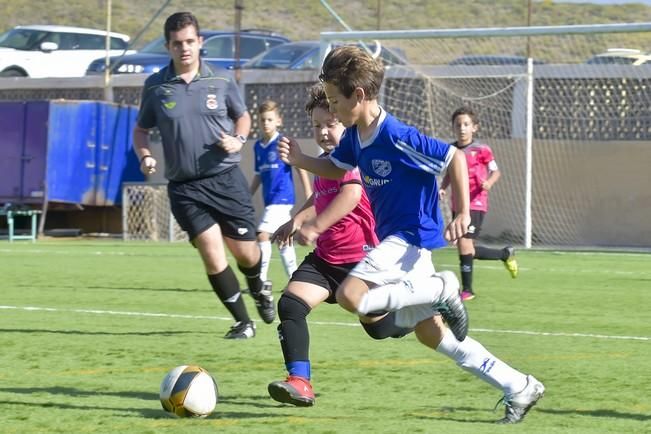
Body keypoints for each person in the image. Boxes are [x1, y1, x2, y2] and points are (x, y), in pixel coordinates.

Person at [277, 46, 544, 424]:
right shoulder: (355, 136)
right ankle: (519, 385)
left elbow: (455, 158)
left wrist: (462, 212)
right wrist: (301, 160)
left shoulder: (397, 135)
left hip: (409, 238)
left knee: (351, 295)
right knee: (434, 336)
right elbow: (336, 169)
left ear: (359, 95)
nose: (332, 110)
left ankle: (441, 290)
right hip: (402, 248)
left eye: (336, 101)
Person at [266, 84, 412, 407]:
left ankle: (418, 311)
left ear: (346, 122)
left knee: (379, 329)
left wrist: (316, 226)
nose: (322, 132)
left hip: (361, 264)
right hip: (325, 261)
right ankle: (300, 382)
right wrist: (299, 219)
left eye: (329, 124)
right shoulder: (326, 161)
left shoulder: (355, 156)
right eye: (316, 126)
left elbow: (352, 194)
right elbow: (321, 194)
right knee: (290, 305)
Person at [132, 11, 274, 340]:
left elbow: (243, 118)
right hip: (184, 188)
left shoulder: (221, 80)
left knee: (246, 253)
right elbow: (141, 130)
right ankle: (243, 322)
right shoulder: (156, 86)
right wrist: (146, 155)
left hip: (225, 179)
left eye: (190, 42)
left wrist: (237, 139)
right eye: (177, 43)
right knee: (212, 252)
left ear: (200, 43)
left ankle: (259, 286)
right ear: (168, 47)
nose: (184, 49)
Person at [439, 107, 518, 301]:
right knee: (467, 249)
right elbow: (450, 174)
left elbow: (496, 171)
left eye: (466, 125)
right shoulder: (451, 150)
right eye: (458, 125)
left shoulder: (482, 149)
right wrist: (443, 187)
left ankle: (468, 290)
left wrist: (489, 183)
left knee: (464, 245)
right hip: (457, 204)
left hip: (476, 202)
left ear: (475, 127)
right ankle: (504, 254)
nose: (462, 129)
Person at [250, 100, 312, 288]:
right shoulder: (258, 147)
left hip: (282, 198)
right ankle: (296, 280)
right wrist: (247, 195)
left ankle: (260, 280)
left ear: (279, 121)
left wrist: (308, 190)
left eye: (270, 119)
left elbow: (299, 166)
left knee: (262, 235)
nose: (266, 123)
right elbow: (258, 174)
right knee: (284, 240)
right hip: (270, 201)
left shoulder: (282, 142)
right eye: (262, 120)